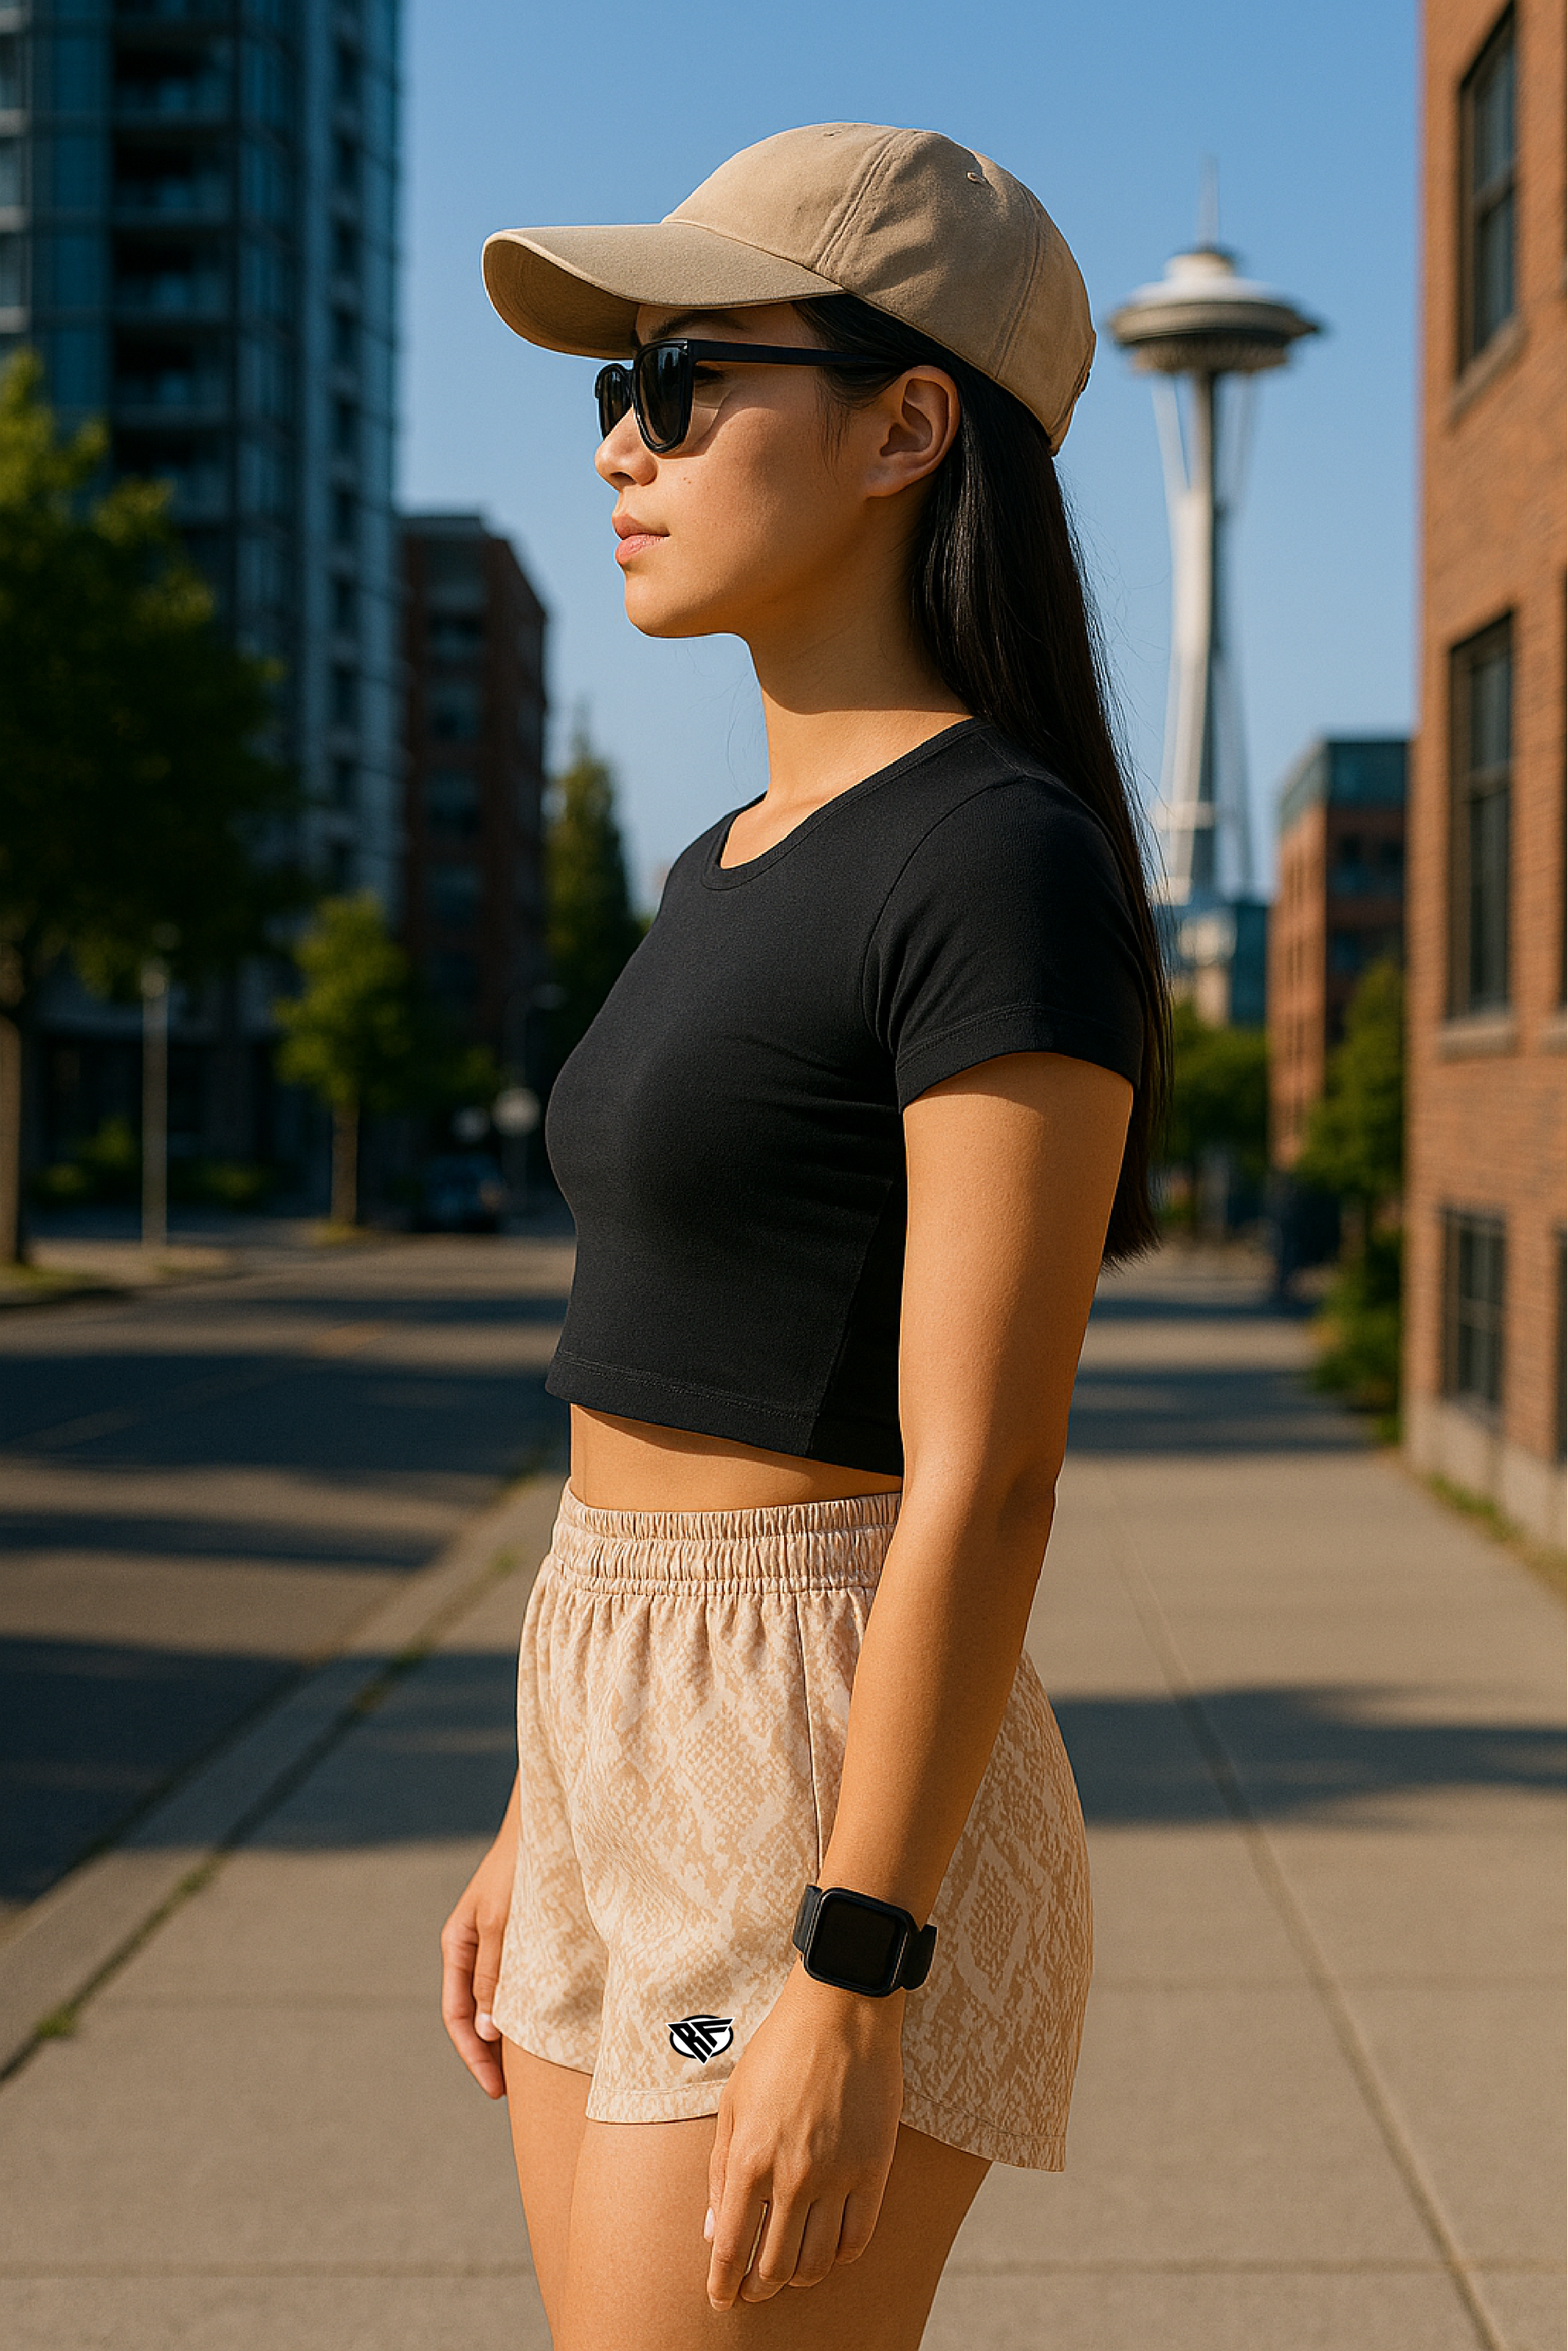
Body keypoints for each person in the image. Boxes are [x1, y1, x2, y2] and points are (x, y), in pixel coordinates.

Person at [440, 122, 1170, 2351]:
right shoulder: (718, 864)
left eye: (680, 383)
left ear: (905, 422)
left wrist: (859, 1965)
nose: (619, 448)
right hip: (609, 1721)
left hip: (814, 1771)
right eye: (613, 393)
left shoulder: (996, 862)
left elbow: (989, 1471)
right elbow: (640, 1353)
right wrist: (532, 1801)